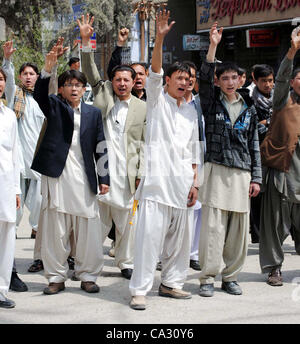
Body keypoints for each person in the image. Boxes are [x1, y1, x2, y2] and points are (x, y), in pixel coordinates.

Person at [129, 10, 201, 310]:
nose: (184, 83)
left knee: (179, 244)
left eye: (189, 80)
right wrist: (159, 37)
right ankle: (139, 289)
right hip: (156, 187)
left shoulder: (191, 111)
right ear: (168, 80)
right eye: (179, 78)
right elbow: (154, 69)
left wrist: (195, 183)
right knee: (148, 242)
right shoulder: (157, 101)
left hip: (182, 186)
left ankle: (172, 283)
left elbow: (194, 151)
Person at [31, 45, 109, 295]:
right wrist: (47, 69)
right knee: (56, 229)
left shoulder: (93, 113)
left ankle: (87, 275)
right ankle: (55, 277)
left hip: (85, 178)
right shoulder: (54, 105)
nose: (74, 88)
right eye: (69, 85)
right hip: (57, 176)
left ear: (84, 89)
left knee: (87, 229)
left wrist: (104, 177)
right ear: (62, 89)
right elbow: (40, 95)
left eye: (78, 85)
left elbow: (101, 145)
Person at [79, 14, 146, 280]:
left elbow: (143, 143)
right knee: (97, 224)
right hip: (102, 172)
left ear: (133, 83)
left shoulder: (142, 107)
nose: (121, 83)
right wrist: (86, 42)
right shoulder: (103, 93)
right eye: (117, 79)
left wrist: (142, 171)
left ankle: (125, 262)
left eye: (126, 80)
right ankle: (90, 266)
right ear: (113, 82)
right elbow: (90, 71)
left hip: (128, 174)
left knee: (128, 224)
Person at [198, 22, 261, 297]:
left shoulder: (250, 108)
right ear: (218, 81)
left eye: (234, 77)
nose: (230, 82)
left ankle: (231, 276)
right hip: (215, 168)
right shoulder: (211, 102)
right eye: (224, 78)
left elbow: (254, 144)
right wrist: (213, 45)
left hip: (241, 173)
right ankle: (207, 278)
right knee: (213, 228)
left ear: (242, 80)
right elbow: (202, 78)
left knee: (238, 230)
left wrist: (256, 177)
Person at [259, 25, 300, 287]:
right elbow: (282, 78)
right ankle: (274, 268)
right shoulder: (282, 100)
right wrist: (292, 51)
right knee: (274, 225)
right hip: (283, 173)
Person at [2, 40, 44, 292]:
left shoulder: (41, 101)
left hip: (38, 171)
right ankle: (11, 271)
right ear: (19, 77)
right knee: (11, 223)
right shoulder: (13, 98)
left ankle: (41, 260)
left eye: (32, 74)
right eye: (24, 74)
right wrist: (7, 60)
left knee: (43, 221)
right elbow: (6, 79)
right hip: (16, 173)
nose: (28, 77)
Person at [0, 67, 21, 308]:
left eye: (2, 79)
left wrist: (16, 189)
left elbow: (15, 154)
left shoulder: (9, 116)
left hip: (5, 185)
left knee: (6, 237)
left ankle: (1, 289)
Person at [182, 60, 205, 271]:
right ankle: (169, 253)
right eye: (184, 77)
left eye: (192, 78)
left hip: (200, 161)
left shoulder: (201, 103)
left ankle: (193, 253)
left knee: (197, 210)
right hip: (179, 164)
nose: (188, 81)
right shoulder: (170, 103)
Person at [249, 64, 274, 243]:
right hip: (258, 153)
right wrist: (266, 123)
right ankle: (257, 234)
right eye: (264, 81)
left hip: (277, 153)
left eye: (270, 81)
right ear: (255, 81)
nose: (268, 85)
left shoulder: (279, 99)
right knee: (258, 195)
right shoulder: (250, 101)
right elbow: (253, 129)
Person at [107, 27, 148, 101]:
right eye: (135, 74)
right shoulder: (122, 95)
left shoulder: (152, 97)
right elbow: (113, 70)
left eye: (141, 74)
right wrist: (120, 44)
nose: (138, 77)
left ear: (146, 75)